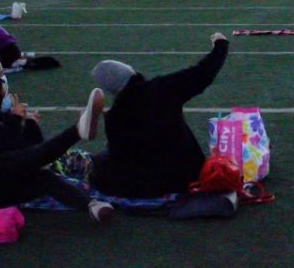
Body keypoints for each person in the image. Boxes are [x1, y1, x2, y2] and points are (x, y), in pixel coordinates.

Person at [0, 68, 112, 221]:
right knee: (21, 159)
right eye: (2, 96)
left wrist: (29, 122)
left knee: (43, 177)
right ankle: (78, 131)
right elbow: (12, 148)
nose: (7, 99)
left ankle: (92, 206)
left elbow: (29, 146)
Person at [90, 34, 229, 198]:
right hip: (186, 176)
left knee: (99, 164)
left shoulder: (114, 117)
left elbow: (121, 158)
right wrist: (221, 44)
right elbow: (203, 73)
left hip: (145, 187)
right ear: (131, 72)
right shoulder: (162, 88)